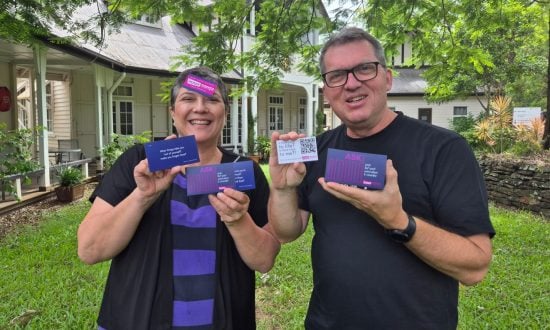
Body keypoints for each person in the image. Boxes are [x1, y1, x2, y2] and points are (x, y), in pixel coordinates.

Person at [268, 27, 495, 329]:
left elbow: (475, 266)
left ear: (387, 78)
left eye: (364, 69)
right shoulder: (316, 150)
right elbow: (287, 231)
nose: (351, 84)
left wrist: (399, 221)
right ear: (326, 91)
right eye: (337, 75)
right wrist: (283, 189)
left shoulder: (443, 149)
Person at [77, 66, 280, 330]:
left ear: (225, 114)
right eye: (188, 99)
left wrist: (238, 220)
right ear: (173, 112)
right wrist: (142, 197)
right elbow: (90, 250)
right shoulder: (139, 162)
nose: (200, 108)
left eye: (212, 100)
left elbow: (265, 260)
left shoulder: (243, 172)